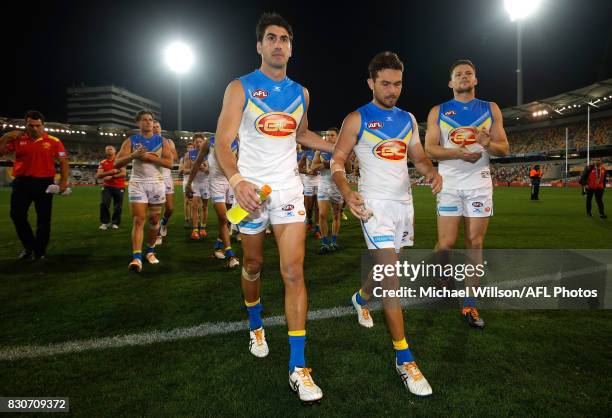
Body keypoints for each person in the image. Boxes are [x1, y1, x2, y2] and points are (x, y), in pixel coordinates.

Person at [214, 12, 333, 403]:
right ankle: (255, 324)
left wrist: (336, 146)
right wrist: (237, 181)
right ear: (260, 46)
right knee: (252, 265)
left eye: (284, 38)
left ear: (291, 47)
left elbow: (300, 134)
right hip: (250, 192)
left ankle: (298, 368)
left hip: (288, 190)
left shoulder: (302, 92)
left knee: (293, 271)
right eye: (271, 37)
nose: (279, 43)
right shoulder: (240, 88)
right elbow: (222, 143)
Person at [331, 51, 442, 397]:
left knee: (385, 271)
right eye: (385, 84)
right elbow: (337, 161)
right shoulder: (357, 118)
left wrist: (431, 171)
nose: (392, 90)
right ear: (371, 83)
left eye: (397, 83)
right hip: (373, 207)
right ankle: (404, 358)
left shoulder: (409, 118)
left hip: (403, 205)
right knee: (392, 280)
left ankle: (361, 298)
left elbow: (418, 156)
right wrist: (348, 192)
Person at [424, 59, 509, 328]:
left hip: (479, 183)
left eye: (468, 74)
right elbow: (430, 149)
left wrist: (488, 143)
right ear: (451, 83)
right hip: (449, 183)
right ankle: (442, 277)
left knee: (475, 242)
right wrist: (457, 153)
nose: (463, 77)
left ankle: (470, 304)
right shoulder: (438, 111)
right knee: (446, 243)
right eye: (458, 74)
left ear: (475, 80)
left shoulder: (490, 108)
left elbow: (504, 149)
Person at [0, 110, 70, 260]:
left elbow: (63, 162)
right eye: (31, 125)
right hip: (22, 183)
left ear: (43, 125)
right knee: (16, 215)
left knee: (44, 218)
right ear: (26, 125)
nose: (35, 129)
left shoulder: (54, 141)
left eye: (38, 125)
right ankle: (30, 246)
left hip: (44, 183)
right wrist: (5, 137)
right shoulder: (17, 139)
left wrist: (63, 181)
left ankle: (40, 251)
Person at [114, 110, 173, 272]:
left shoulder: (162, 141)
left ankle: (150, 251)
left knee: (154, 221)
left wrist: (150, 157)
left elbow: (169, 163)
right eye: (145, 120)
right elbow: (117, 163)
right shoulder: (131, 141)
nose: (148, 122)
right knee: (139, 220)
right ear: (138, 123)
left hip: (156, 183)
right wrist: (133, 155)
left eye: (151, 120)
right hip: (138, 183)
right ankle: (137, 257)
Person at [186, 135, 240, 268]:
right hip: (216, 181)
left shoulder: (237, 142)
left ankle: (218, 247)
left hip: (231, 180)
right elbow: (198, 161)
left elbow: (239, 161)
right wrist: (189, 183)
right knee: (223, 217)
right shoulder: (209, 142)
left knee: (229, 218)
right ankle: (230, 255)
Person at [310, 128, 344, 253]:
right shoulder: (320, 150)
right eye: (327, 135)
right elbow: (313, 167)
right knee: (322, 214)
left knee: (336, 215)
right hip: (323, 185)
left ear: (337, 136)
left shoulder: (342, 150)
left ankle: (334, 242)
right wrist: (324, 165)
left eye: (332, 135)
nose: (329, 137)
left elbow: (350, 169)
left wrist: (338, 163)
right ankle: (324, 243)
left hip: (337, 187)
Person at [152, 120, 179, 245]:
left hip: (166, 177)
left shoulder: (168, 142)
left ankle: (163, 223)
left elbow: (175, 159)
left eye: (158, 127)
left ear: (160, 128)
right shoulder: (148, 142)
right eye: (154, 127)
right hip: (154, 178)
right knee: (156, 209)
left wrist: (166, 152)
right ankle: (157, 234)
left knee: (170, 208)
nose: (156, 129)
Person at [184, 133, 210, 240]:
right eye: (196, 142)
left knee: (204, 206)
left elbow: (212, 171)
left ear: (203, 142)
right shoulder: (189, 155)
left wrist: (205, 169)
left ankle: (203, 228)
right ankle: (195, 230)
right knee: (194, 206)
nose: (199, 144)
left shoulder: (209, 154)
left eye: (200, 141)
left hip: (206, 183)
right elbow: (184, 170)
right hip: (195, 183)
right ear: (193, 143)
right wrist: (194, 168)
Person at [97, 145, 126, 230]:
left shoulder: (120, 161)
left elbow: (123, 173)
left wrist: (111, 176)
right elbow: (99, 174)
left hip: (119, 186)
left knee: (118, 206)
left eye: (111, 149)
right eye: (107, 149)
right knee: (104, 204)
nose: (109, 150)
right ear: (105, 152)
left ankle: (115, 222)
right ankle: (104, 222)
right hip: (107, 187)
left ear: (115, 151)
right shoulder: (103, 162)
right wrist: (112, 172)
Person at [179, 142, 195, 228]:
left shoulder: (197, 156)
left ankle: (194, 218)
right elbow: (180, 170)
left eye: (192, 147)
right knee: (186, 202)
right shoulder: (182, 158)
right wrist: (192, 169)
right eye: (189, 147)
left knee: (195, 202)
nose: (190, 149)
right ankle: (187, 219)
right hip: (186, 181)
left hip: (195, 181)